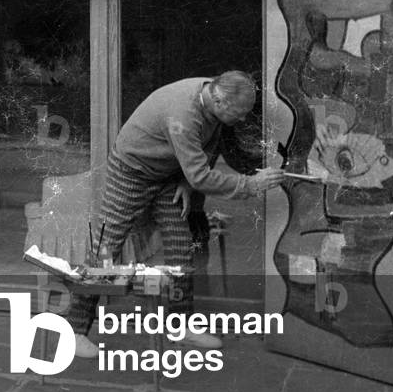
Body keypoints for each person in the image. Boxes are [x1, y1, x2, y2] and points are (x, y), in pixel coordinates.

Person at [67, 71, 284, 356]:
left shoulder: (215, 98)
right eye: (239, 113)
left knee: (182, 247)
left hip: (170, 175)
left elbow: (208, 146)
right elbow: (200, 175)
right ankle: (73, 330)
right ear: (218, 100)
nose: (243, 119)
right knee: (105, 248)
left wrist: (185, 180)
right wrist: (250, 184)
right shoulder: (184, 113)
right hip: (131, 171)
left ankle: (180, 328)